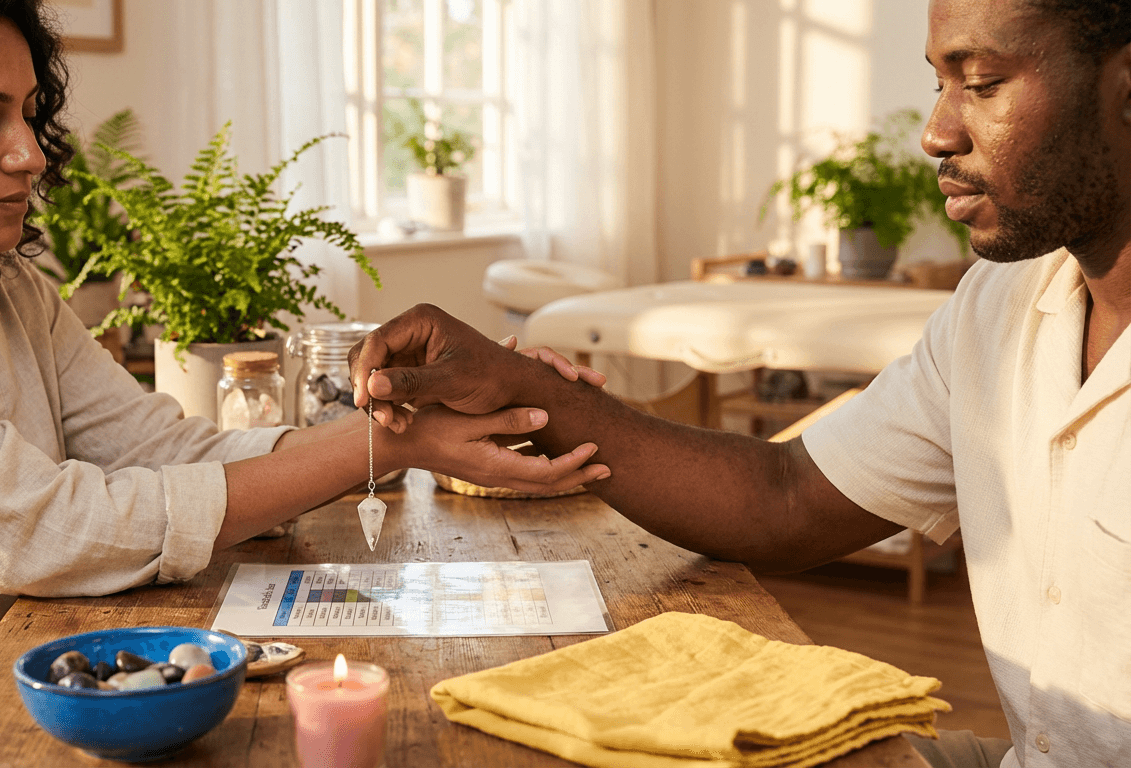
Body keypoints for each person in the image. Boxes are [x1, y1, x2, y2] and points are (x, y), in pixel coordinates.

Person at [0, 1, 610, 765]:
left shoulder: (3, 293)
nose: (28, 155)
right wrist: (386, 441)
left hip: (9, 728)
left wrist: (407, 405)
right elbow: (49, 529)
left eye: (28, 114)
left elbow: (176, 450)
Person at [350, 1, 1131, 766]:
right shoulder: (999, 307)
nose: (937, 132)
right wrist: (520, 382)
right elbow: (784, 496)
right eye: (939, 82)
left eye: (985, 83)